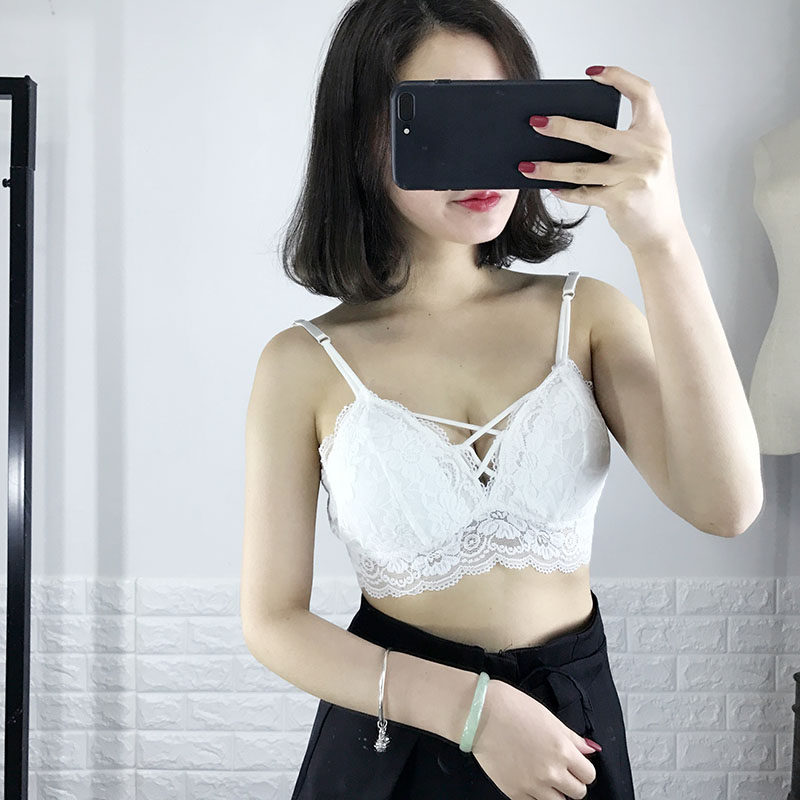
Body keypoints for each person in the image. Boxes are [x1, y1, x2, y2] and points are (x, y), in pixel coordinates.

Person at [241, 1, 764, 798]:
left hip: (570, 731)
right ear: (362, 133)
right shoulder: (302, 363)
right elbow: (272, 621)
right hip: (393, 743)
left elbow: (726, 505)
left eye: (501, 111)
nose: (480, 155)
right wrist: (475, 713)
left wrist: (661, 238)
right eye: (443, 118)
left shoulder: (585, 317)